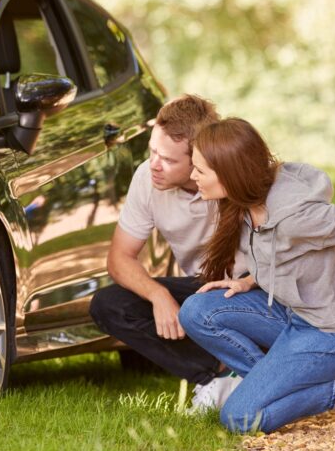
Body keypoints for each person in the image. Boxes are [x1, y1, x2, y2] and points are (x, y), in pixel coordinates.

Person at [178, 118, 335, 433]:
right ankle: (261, 385)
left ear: (229, 173)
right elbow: (281, 253)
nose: (192, 176)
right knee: (197, 311)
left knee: (239, 419)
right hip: (292, 314)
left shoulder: (299, 217)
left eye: (200, 170)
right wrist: (248, 280)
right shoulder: (244, 204)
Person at [89, 95, 247, 411]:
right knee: (109, 305)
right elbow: (119, 259)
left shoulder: (237, 176)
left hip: (254, 292)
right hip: (203, 290)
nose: (154, 165)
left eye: (169, 160)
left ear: (201, 159)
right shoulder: (147, 178)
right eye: (152, 152)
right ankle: (216, 376)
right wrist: (159, 296)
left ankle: (261, 365)